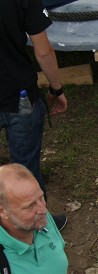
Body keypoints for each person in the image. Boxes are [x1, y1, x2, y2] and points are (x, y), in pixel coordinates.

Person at [1, 0, 69, 229]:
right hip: (19, 95)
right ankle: (40, 226)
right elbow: (43, 51)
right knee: (25, 169)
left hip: (18, 96)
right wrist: (56, 88)